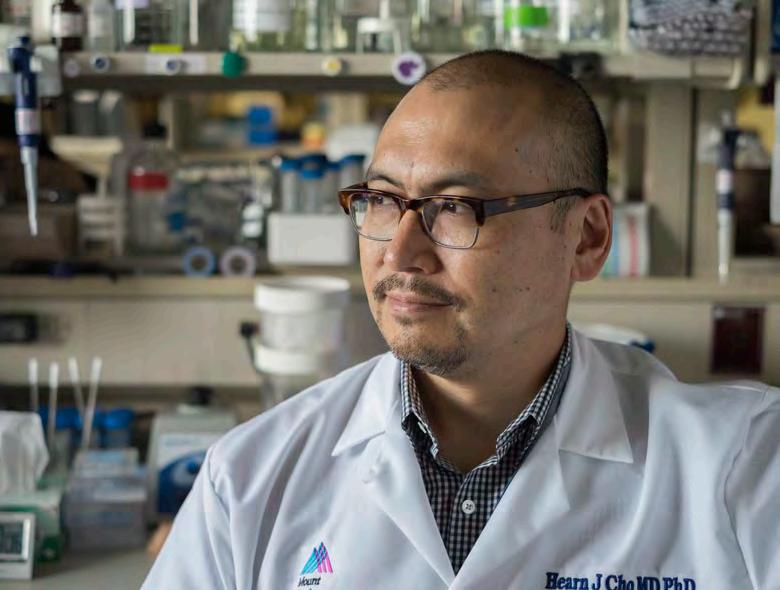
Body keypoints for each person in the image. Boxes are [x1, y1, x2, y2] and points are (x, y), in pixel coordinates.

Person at [142, 51, 779, 590]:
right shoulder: (249, 480)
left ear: (586, 238)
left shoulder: (745, 466)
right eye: (381, 201)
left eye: (455, 207)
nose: (400, 253)